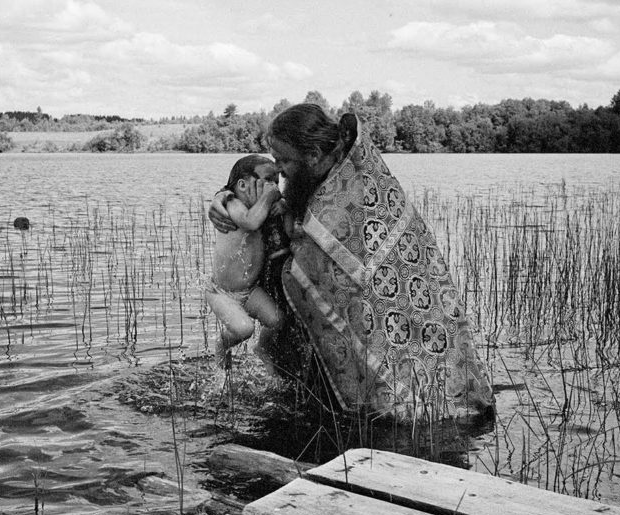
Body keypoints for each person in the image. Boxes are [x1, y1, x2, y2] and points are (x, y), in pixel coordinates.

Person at [210, 103, 495, 420]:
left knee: (407, 388)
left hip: (403, 297)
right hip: (327, 321)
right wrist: (222, 197)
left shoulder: (357, 176)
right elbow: (280, 218)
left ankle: (409, 398)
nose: (279, 170)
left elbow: (329, 249)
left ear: (315, 154)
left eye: (285, 160)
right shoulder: (311, 173)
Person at [207, 154, 286, 370]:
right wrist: (270, 198)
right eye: (268, 181)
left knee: (277, 320)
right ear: (242, 185)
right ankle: (222, 345)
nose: (274, 187)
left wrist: (283, 205)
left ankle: (262, 348)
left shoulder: (264, 206)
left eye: (277, 182)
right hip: (222, 292)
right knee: (243, 329)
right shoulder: (233, 203)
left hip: (250, 290)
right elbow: (251, 222)